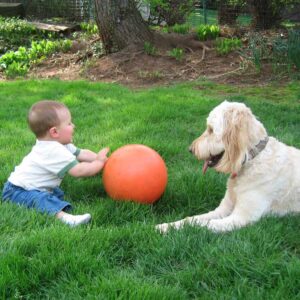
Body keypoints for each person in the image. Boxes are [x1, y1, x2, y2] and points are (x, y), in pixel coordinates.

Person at [2, 100, 109, 227]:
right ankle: (67, 219)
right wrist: (98, 163)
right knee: (40, 200)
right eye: (69, 123)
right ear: (54, 132)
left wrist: (105, 162)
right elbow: (78, 171)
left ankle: (52, 203)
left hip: (28, 187)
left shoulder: (59, 144)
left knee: (55, 193)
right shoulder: (52, 150)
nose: (73, 126)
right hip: (17, 192)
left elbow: (82, 154)